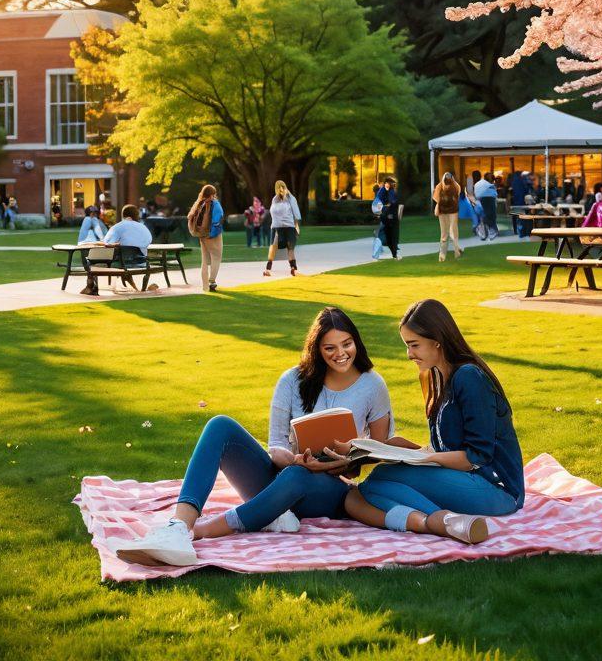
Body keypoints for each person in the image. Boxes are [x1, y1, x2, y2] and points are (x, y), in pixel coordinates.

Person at [106, 306, 395, 567]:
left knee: (297, 476)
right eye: (330, 347)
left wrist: (343, 463)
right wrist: (295, 459)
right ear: (316, 349)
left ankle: (202, 531)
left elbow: (379, 452)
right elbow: (276, 448)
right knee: (220, 425)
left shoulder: (372, 385)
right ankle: (179, 527)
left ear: (356, 341)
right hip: (284, 474)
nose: (341, 353)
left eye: (347, 344)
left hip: (330, 491)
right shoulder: (292, 381)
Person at [341, 299, 524, 544]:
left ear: (437, 340)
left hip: (496, 489)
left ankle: (437, 521)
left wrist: (425, 459)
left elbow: (476, 456)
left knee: (380, 480)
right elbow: (445, 448)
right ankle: (443, 523)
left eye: (413, 345)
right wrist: (400, 448)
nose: (409, 354)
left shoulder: (469, 377)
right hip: (460, 478)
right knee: (364, 491)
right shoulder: (433, 376)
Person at [103, 204, 156, 292]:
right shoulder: (143, 228)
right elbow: (148, 241)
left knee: (116, 257)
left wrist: (118, 244)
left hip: (121, 263)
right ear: (136, 215)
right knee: (124, 258)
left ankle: (93, 286)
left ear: (123, 215)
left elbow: (107, 243)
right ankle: (137, 287)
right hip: (141, 262)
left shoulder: (117, 227)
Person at [188, 184, 224, 292]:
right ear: (212, 194)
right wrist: (212, 234)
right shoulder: (215, 204)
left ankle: (205, 287)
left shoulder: (199, 203)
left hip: (201, 236)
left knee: (204, 261)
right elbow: (218, 219)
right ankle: (212, 282)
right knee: (216, 258)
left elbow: (190, 217)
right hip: (212, 236)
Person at [263, 180, 301, 277]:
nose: (280, 189)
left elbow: (296, 214)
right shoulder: (274, 200)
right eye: (278, 187)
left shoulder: (291, 199)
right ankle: (268, 269)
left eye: (282, 186)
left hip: (289, 227)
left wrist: (297, 227)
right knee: (273, 246)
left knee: (290, 248)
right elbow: (272, 213)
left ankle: (293, 268)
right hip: (276, 227)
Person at [76, 205, 108, 296]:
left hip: (88, 246)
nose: (94, 215)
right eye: (92, 213)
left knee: (88, 265)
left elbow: (99, 231)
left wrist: (102, 239)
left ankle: (90, 287)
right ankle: (92, 287)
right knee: (92, 266)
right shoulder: (98, 221)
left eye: (95, 213)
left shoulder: (88, 219)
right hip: (97, 247)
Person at [433, 171, 463, 261]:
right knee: (454, 232)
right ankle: (457, 252)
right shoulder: (456, 186)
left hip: (442, 211)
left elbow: (435, 198)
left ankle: (442, 256)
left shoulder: (439, 186)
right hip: (453, 211)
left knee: (444, 234)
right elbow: (458, 194)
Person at [375, 177, 402, 260]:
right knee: (382, 233)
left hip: (389, 215)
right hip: (385, 215)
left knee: (389, 233)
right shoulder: (382, 191)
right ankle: (377, 253)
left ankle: (394, 251)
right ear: (386, 183)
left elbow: (393, 201)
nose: (393, 185)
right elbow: (378, 203)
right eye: (392, 184)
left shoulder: (390, 191)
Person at [472, 171, 499, 240]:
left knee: (484, 218)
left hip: (479, 205)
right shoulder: (489, 186)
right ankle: (488, 231)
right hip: (484, 204)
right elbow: (494, 195)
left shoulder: (478, 184)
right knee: (489, 216)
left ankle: (483, 232)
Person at [509, 171, 529, 237]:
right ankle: (523, 232)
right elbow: (526, 190)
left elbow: (511, 193)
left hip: (515, 202)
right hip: (522, 202)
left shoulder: (513, 183)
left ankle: (516, 231)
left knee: (515, 217)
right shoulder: (523, 181)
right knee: (523, 217)